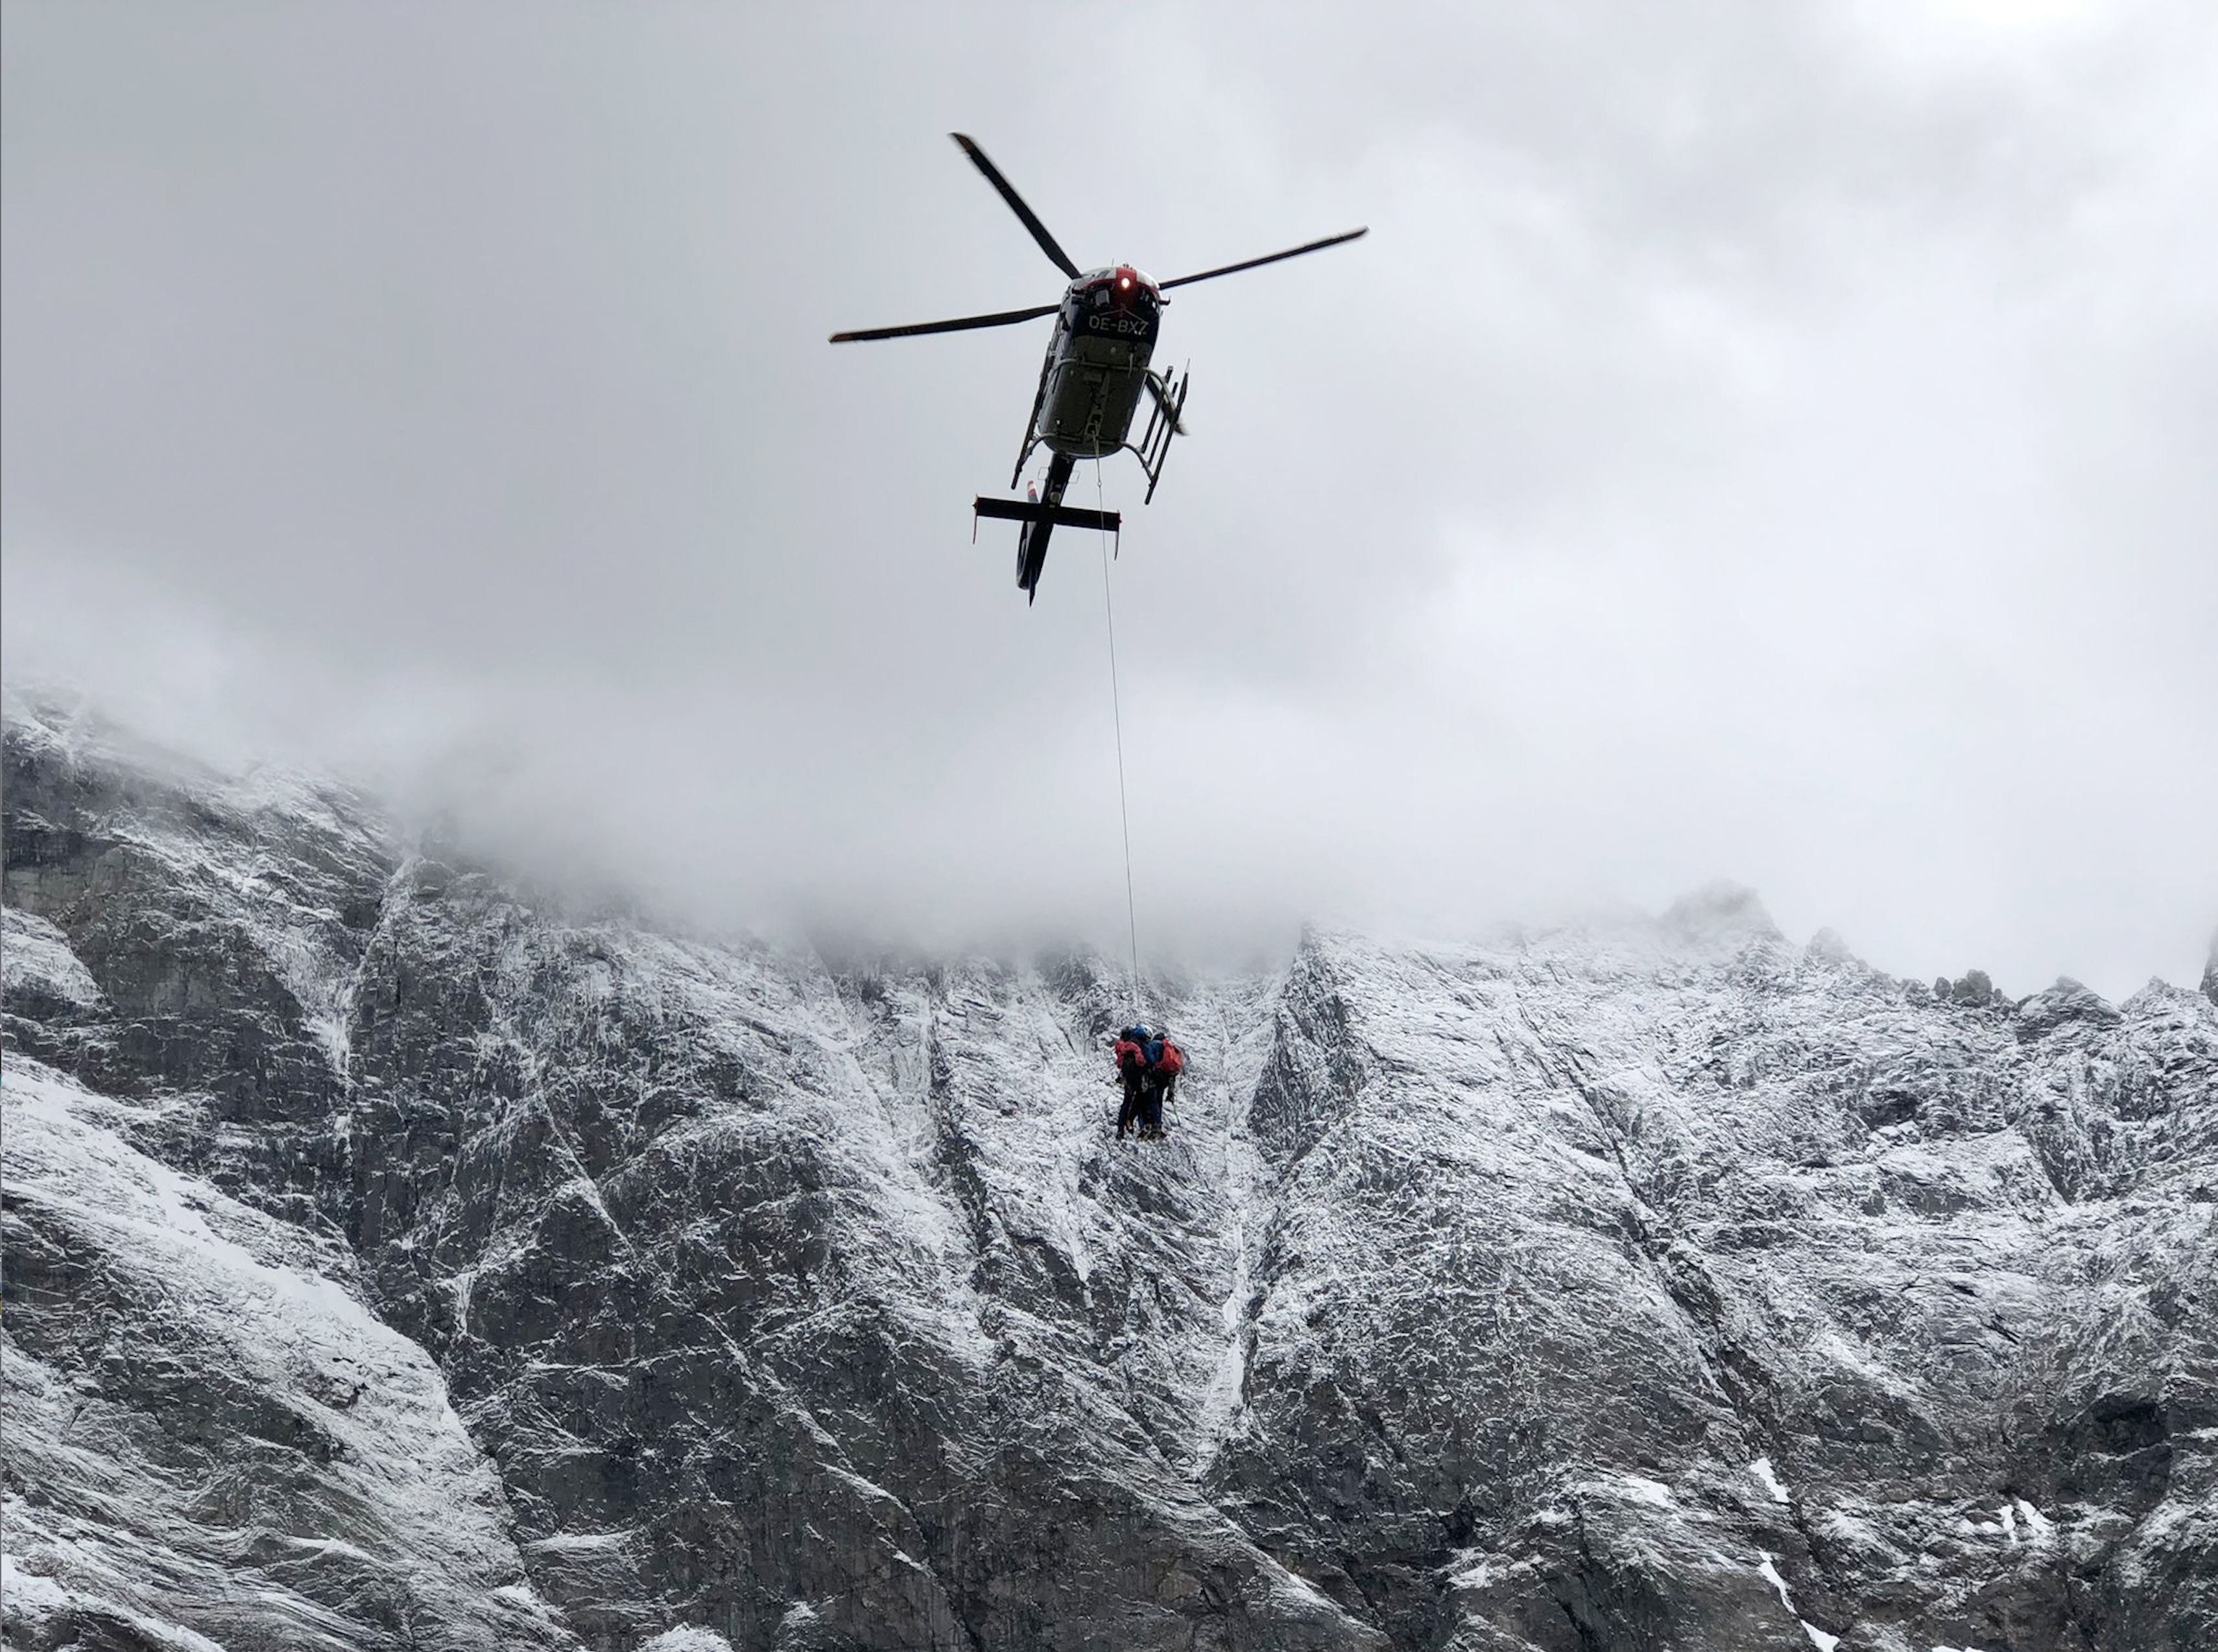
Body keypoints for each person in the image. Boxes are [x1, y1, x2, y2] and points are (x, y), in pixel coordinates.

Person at [1112, 1024, 1151, 1139]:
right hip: (1137, 1078)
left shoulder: (1123, 1047)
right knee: (1140, 1102)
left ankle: (1120, 1129)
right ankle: (1138, 1125)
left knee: (1126, 1102)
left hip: (1127, 1078)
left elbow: (1120, 1063)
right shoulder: (1136, 1047)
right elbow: (1141, 1061)